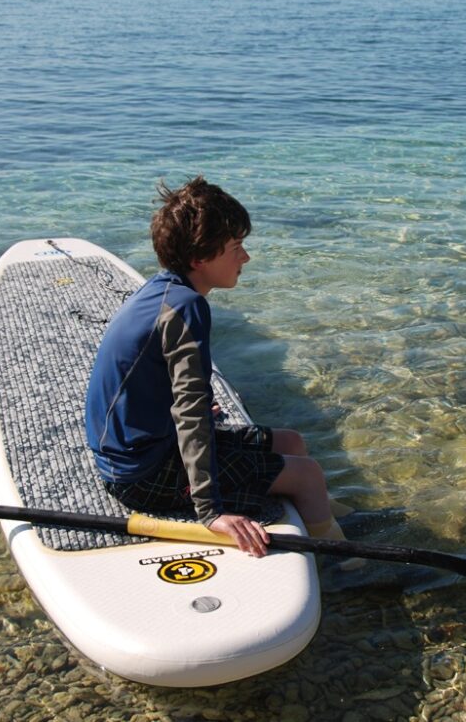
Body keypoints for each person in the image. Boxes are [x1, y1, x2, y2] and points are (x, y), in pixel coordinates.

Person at [86, 176, 346, 557]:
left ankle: (322, 516)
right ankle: (344, 564)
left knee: (292, 441)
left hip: (149, 446)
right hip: (142, 474)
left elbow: (148, 386)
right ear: (200, 258)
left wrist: (165, 414)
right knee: (308, 476)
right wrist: (210, 511)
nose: (246, 258)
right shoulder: (187, 309)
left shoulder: (163, 290)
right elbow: (191, 414)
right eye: (236, 247)